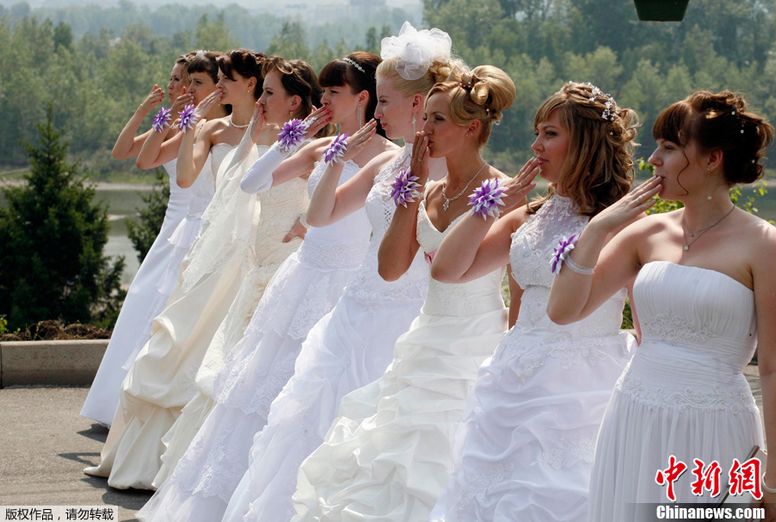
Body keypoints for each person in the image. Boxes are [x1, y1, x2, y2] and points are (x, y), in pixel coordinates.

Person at [136, 52, 394, 522]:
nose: (327, 100)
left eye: (335, 93)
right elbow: (252, 183)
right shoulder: (319, 148)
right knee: (258, 396)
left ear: (363, 97)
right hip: (302, 279)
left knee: (316, 399)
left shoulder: (389, 158)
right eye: (326, 92)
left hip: (346, 285)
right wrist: (293, 139)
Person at [222, 23, 458, 522]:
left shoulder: (451, 174)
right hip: (355, 307)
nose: (379, 111)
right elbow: (322, 215)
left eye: (387, 101)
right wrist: (336, 159)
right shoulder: (388, 162)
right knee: (310, 421)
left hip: (405, 313)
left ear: (417, 106)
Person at [546, 90, 776, 522]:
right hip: (634, 418)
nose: (653, 161)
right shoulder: (645, 234)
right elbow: (563, 310)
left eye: (669, 148)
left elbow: (774, 369)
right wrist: (599, 228)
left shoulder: (764, 244)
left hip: (715, 427)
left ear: (712, 159)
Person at [291, 64, 517, 521]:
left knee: (448, 460)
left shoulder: (506, 192)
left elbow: (513, 284)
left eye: (437, 120)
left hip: (474, 343)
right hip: (425, 338)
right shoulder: (429, 190)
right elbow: (390, 268)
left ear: (471, 127)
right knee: (387, 460)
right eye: (425, 116)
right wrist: (410, 192)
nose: (424, 129)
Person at [84, 49, 301, 491]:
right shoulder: (213, 128)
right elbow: (184, 178)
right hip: (218, 246)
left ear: (251, 84)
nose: (219, 84)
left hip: (263, 251)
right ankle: (152, 459)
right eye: (216, 76)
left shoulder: (291, 133)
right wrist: (192, 129)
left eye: (228, 77)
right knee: (183, 342)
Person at [429, 81, 637, 521]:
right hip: (514, 381)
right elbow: (446, 269)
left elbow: (644, 325)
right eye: (537, 132)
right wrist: (494, 205)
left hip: (584, 388)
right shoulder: (530, 216)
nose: (535, 145)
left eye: (549, 134)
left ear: (584, 142)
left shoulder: (623, 225)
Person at [81, 51, 197, 427]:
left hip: (194, 222)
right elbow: (123, 151)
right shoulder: (175, 122)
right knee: (143, 307)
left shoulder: (199, 126)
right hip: (172, 224)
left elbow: (151, 161)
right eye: (175, 78)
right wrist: (145, 111)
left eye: (185, 80)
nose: (177, 86)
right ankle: (117, 400)